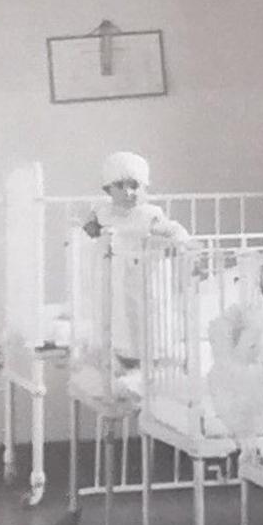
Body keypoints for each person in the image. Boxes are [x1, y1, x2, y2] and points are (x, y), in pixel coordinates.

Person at [79, 151, 182, 368]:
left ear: (143, 188)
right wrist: (87, 230)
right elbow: (89, 227)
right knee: (118, 316)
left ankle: (150, 360)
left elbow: (172, 230)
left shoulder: (148, 214)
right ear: (108, 189)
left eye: (134, 186)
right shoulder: (104, 211)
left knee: (145, 316)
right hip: (115, 273)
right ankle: (123, 358)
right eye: (120, 186)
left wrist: (180, 244)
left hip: (142, 273)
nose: (128, 192)